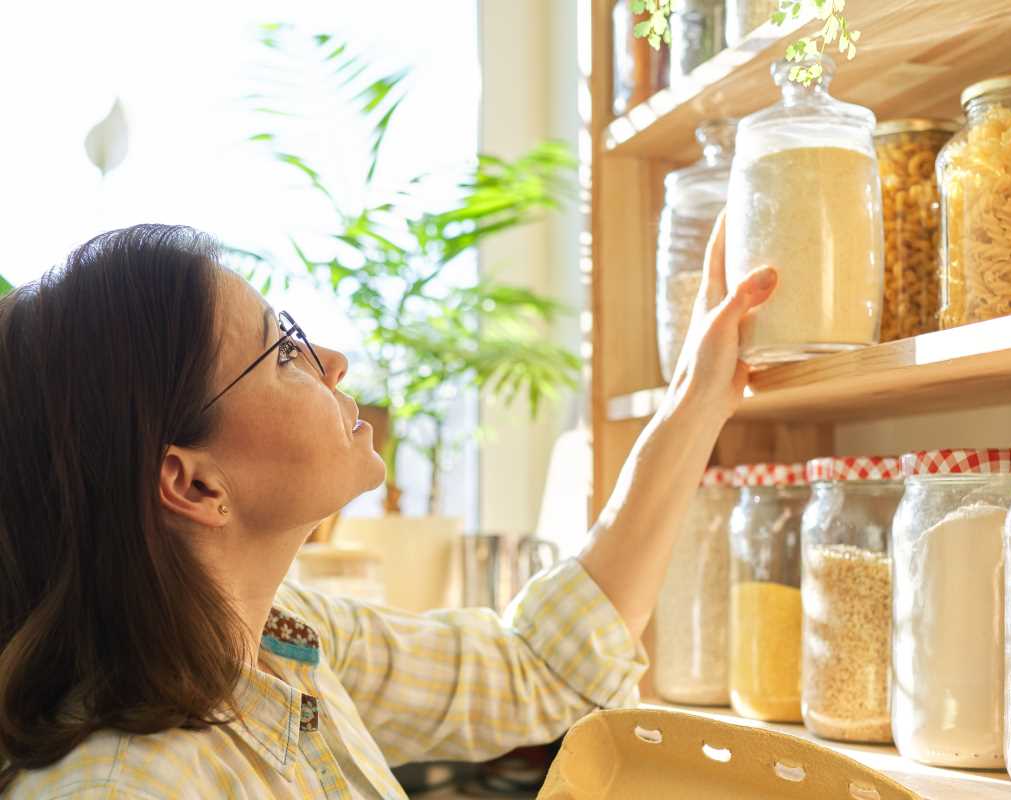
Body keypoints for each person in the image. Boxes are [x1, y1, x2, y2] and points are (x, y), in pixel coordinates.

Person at [0, 220, 776, 798]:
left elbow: (540, 667)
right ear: (194, 484)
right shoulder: (125, 788)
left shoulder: (281, 639)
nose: (332, 361)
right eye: (282, 350)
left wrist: (699, 396)